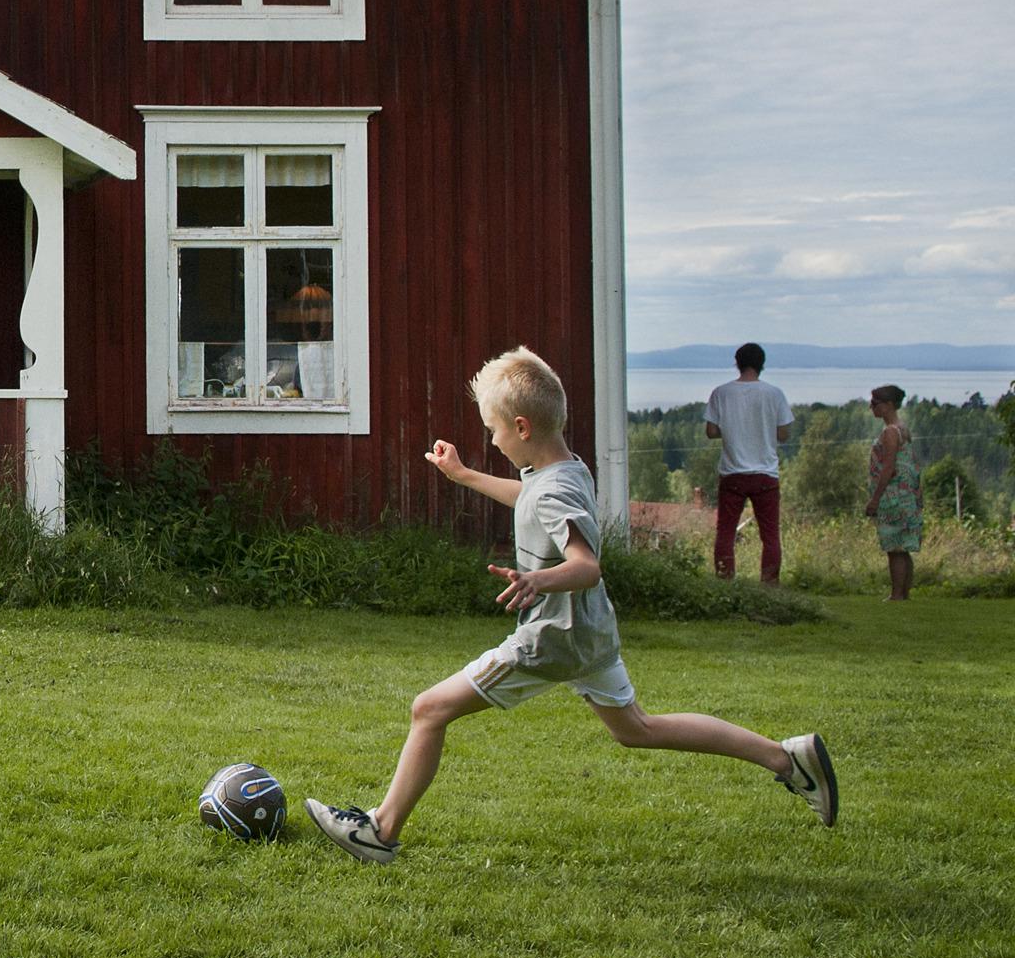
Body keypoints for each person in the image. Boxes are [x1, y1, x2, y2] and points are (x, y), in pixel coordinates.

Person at [306, 346, 836, 864]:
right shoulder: (564, 470)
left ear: (521, 427)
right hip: (589, 631)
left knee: (429, 708)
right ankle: (785, 758)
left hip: (551, 637)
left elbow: (586, 565)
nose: (491, 441)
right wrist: (464, 475)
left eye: (493, 430)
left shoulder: (555, 489)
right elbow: (529, 498)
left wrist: (539, 579)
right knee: (637, 730)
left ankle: (380, 830)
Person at [705, 342, 794, 583]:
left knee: (725, 532)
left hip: (732, 472)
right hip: (765, 473)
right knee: (770, 535)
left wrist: (734, 429)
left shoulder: (721, 393)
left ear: (737, 363)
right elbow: (784, 433)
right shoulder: (774, 394)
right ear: (762, 364)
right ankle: (769, 583)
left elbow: (711, 431)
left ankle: (725, 579)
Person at [864, 384, 922, 601]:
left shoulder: (890, 432)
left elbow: (888, 468)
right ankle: (904, 593)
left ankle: (897, 594)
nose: (872, 407)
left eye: (875, 403)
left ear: (888, 405)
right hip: (907, 495)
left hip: (893, 496)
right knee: (903, 547)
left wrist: (875, 499)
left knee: (894, 547)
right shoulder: (902, 428)